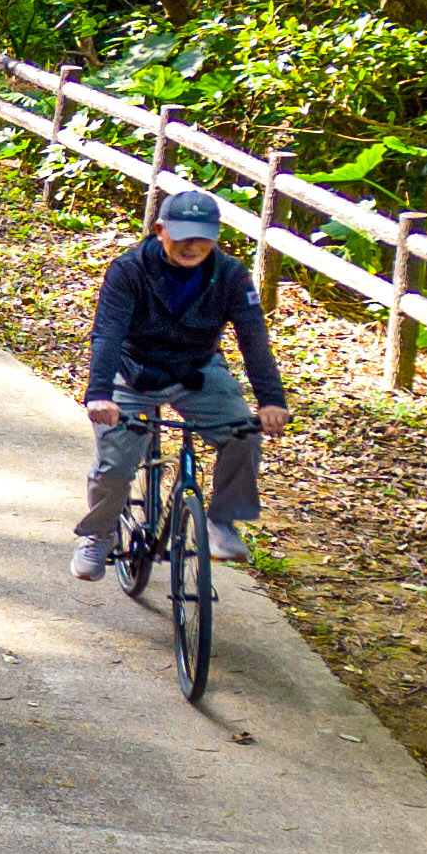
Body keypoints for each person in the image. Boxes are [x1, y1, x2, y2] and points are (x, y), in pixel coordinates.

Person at [72, 188, 292, 577]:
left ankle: (221, 520)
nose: (193, 245)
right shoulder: (130, 270)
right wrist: (100, 395)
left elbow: (254, 338)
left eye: (203, 236)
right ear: (160, 230)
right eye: (183, 234)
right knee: (114, 467)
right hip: (134, 372)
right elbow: (107, 334)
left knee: (245, 433)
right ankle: (99, 534)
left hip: (197, 370)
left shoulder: (230, 275)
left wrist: (271, 400)